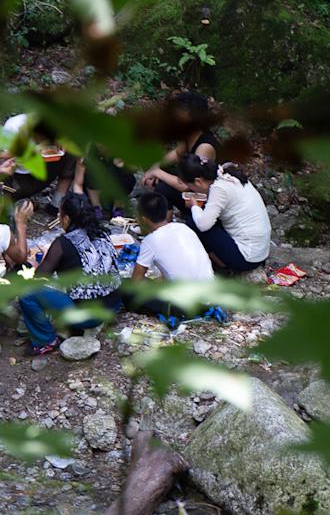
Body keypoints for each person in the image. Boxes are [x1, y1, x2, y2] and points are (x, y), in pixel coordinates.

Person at [13, 195, 122, 354]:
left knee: (27, 293)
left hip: (88, 317)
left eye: (60, 213)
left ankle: (45, 340)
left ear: (66, 218)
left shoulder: (62, 243)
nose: (58, 217)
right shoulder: (102, 233)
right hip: (114, 305)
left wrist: (38, 263)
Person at [127, 191, 221, 325]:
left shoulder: (150, 241)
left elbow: (135, 282)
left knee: (127, 292)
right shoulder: (183, 228)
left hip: (186, 307)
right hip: (211, 297)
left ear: (143, 219)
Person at [176, 156, 270, 273]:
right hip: (260, 251)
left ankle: (221, 266)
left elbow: (203, 225)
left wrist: (194, 206)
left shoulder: (219, 189)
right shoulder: (227, 173)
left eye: (190, 187)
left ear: (198, 181)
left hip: (247, 258)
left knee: (194, 223)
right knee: (203, 216)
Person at [140, 91, 219, 210]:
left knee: (163, 187)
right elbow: (178, 153)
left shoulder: (205, 147)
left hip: (206, 198)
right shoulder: (188, 135)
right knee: (158, 170)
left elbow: (190, 186)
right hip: (191, 184)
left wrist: (157, 173)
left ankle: (164, 219)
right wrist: (155, 166)